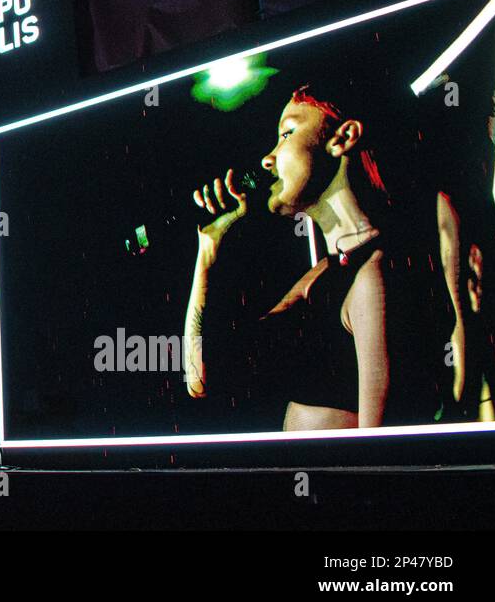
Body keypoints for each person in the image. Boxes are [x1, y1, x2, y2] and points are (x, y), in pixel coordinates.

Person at [183, 83, 444, 429]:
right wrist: (208, 253)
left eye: (287, 133)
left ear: (343, 137)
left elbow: (384, 452)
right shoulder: (324, 274)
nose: (268, 158)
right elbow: (201, 378)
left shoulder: (375, 275)